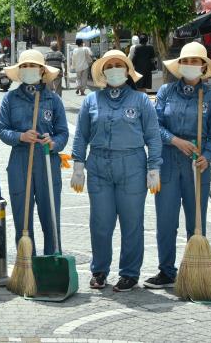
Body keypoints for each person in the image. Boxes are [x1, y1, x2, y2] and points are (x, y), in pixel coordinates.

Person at [70, 50, 162, 292]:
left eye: (118, 65)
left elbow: (153, 136)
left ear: (127, 70)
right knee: (100, 222)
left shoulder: (141, 101)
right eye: (108, 65)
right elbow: (81, 134)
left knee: (132, 223)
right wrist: (78, 165)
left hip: (132, 165)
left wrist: (154, 167)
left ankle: (129, 273)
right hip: (99, 165)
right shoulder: (91, 100)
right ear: (102, 71)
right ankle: (99, 270)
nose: (113, 69)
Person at [144, 42, 211, 289]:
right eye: (186, 61)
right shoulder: (166, 91)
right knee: (166, 220)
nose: (190, 66)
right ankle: (166, 270)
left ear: (203, 67)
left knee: (196, 220)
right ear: (180, 65)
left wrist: (208, 156)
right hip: (169, 161)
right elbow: (154, 126)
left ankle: (195, 271)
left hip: (197, 164)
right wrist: (175, 140)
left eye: (195, 62)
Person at [0, 50, 69, 256]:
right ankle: (26, 266)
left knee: (51, 216)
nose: (29, 70)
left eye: (33, 66)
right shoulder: (10, 98)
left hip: (47, 161)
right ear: (20, 71)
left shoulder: (53, 99)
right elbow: (1, 129)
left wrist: (53, 142)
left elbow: (63, 133)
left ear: (42, 70)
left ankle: (53, 260)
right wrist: (20, 136)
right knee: (22, 217)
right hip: (20, 160)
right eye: (24, 66)